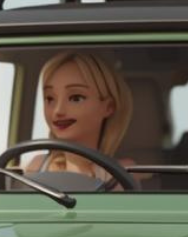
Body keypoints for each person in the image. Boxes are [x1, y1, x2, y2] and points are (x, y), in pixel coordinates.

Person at [25, 52, 134, 182]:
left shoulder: (121, 172)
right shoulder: (36, 166)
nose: (58, 111)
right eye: (50, 98)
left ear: (108, 107)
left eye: (75, 98)